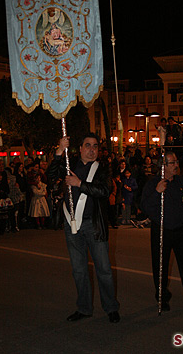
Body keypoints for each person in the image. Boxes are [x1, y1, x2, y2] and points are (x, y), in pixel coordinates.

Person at [47, 133, 120, 323]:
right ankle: (84, 308)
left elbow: (104, 191)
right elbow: (51, 174)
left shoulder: (103, 168)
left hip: (94, 225)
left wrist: (79, 183)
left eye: (95, 146)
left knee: (103, 270)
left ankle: (111, 307)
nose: (92, 149)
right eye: (87, 145)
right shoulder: (70, 165)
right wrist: (59, 151)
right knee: (79, 270)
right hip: (72, 225)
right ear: (80, 148)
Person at [141, 151, 183, 313]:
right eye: (172, 163)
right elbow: (144, 207)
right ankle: (162, 297)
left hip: (181, 230)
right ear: (163, 166)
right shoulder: (153, 184)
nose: (176, 166)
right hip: (162, 230)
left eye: (176, 162)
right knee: (160, 267)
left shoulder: (181, 182)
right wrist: (157, 192)